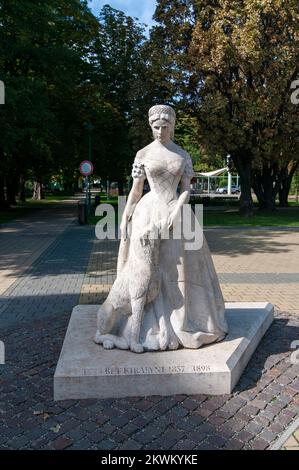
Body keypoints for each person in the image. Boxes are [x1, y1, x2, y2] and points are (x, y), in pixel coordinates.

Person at [94, 104, 228, 352]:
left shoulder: (182, 155)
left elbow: (187, 188)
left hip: (176, 212)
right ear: (150, 126)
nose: (160, 131)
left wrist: (177, 209)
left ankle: (180, 319)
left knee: (175, 268)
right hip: (148, 212)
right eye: (156, 127)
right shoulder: (143, 154)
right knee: (145, 268)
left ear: (173, 125)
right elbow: (136, 190)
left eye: (165, 127)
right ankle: (142, 325)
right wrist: (125, 217)